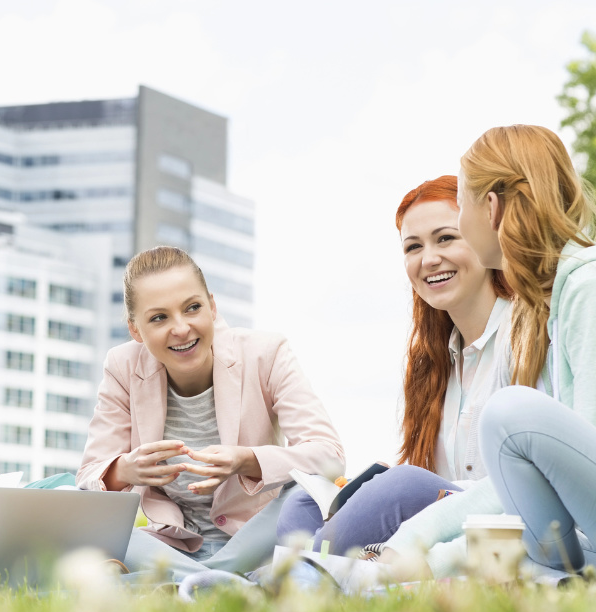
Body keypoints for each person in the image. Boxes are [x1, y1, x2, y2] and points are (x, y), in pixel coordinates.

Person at [377, 124, 596, 581]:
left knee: (510, 410)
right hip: (570, 539)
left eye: (460, 208)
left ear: (491, 208)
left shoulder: (586, 287)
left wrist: (418, 541)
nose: (458, 222)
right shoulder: (553, 301)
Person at [77, 246, 345, 582]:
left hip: (257, 538)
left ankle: (181, 582)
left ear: (213, 307)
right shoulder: (123, 367)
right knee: (72, 510)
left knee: (308, 492)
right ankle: (232, 583)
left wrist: (246, 460)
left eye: (192, 308)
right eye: (159, 318)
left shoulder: (266, 353)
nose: (181, 328)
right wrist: (126, 469)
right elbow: (90, 476)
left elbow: (328, 455)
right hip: (171, 545)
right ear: (135, 330)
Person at [276, 176, 512, 556]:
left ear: (483, 238)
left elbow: (523, 479)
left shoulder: (526, 336)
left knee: (400, 486)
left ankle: (293, 577)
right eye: (413, 247)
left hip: (499, 519)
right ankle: (309, 574)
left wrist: (399, 487)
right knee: (301, 503)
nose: (428, 259)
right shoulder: (433, 364)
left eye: (446, 238)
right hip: (439, 521)